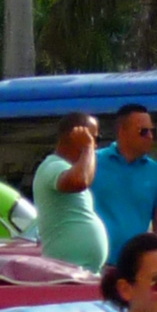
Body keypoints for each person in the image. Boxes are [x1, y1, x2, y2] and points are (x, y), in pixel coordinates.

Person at [91, 103, 157, 259]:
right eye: (143, 131)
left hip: (134, 263)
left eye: (152, 131)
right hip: (95, 262)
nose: (150, 136)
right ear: (122, 131)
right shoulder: (93, 162)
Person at [32, 112, 108, 271]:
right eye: (94, 138)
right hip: (66, 271)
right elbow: (80, 181)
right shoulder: (53, 166)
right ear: (75, 136)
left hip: (79, 271)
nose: (95, 146)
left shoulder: (66, 167)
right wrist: (87, 147)